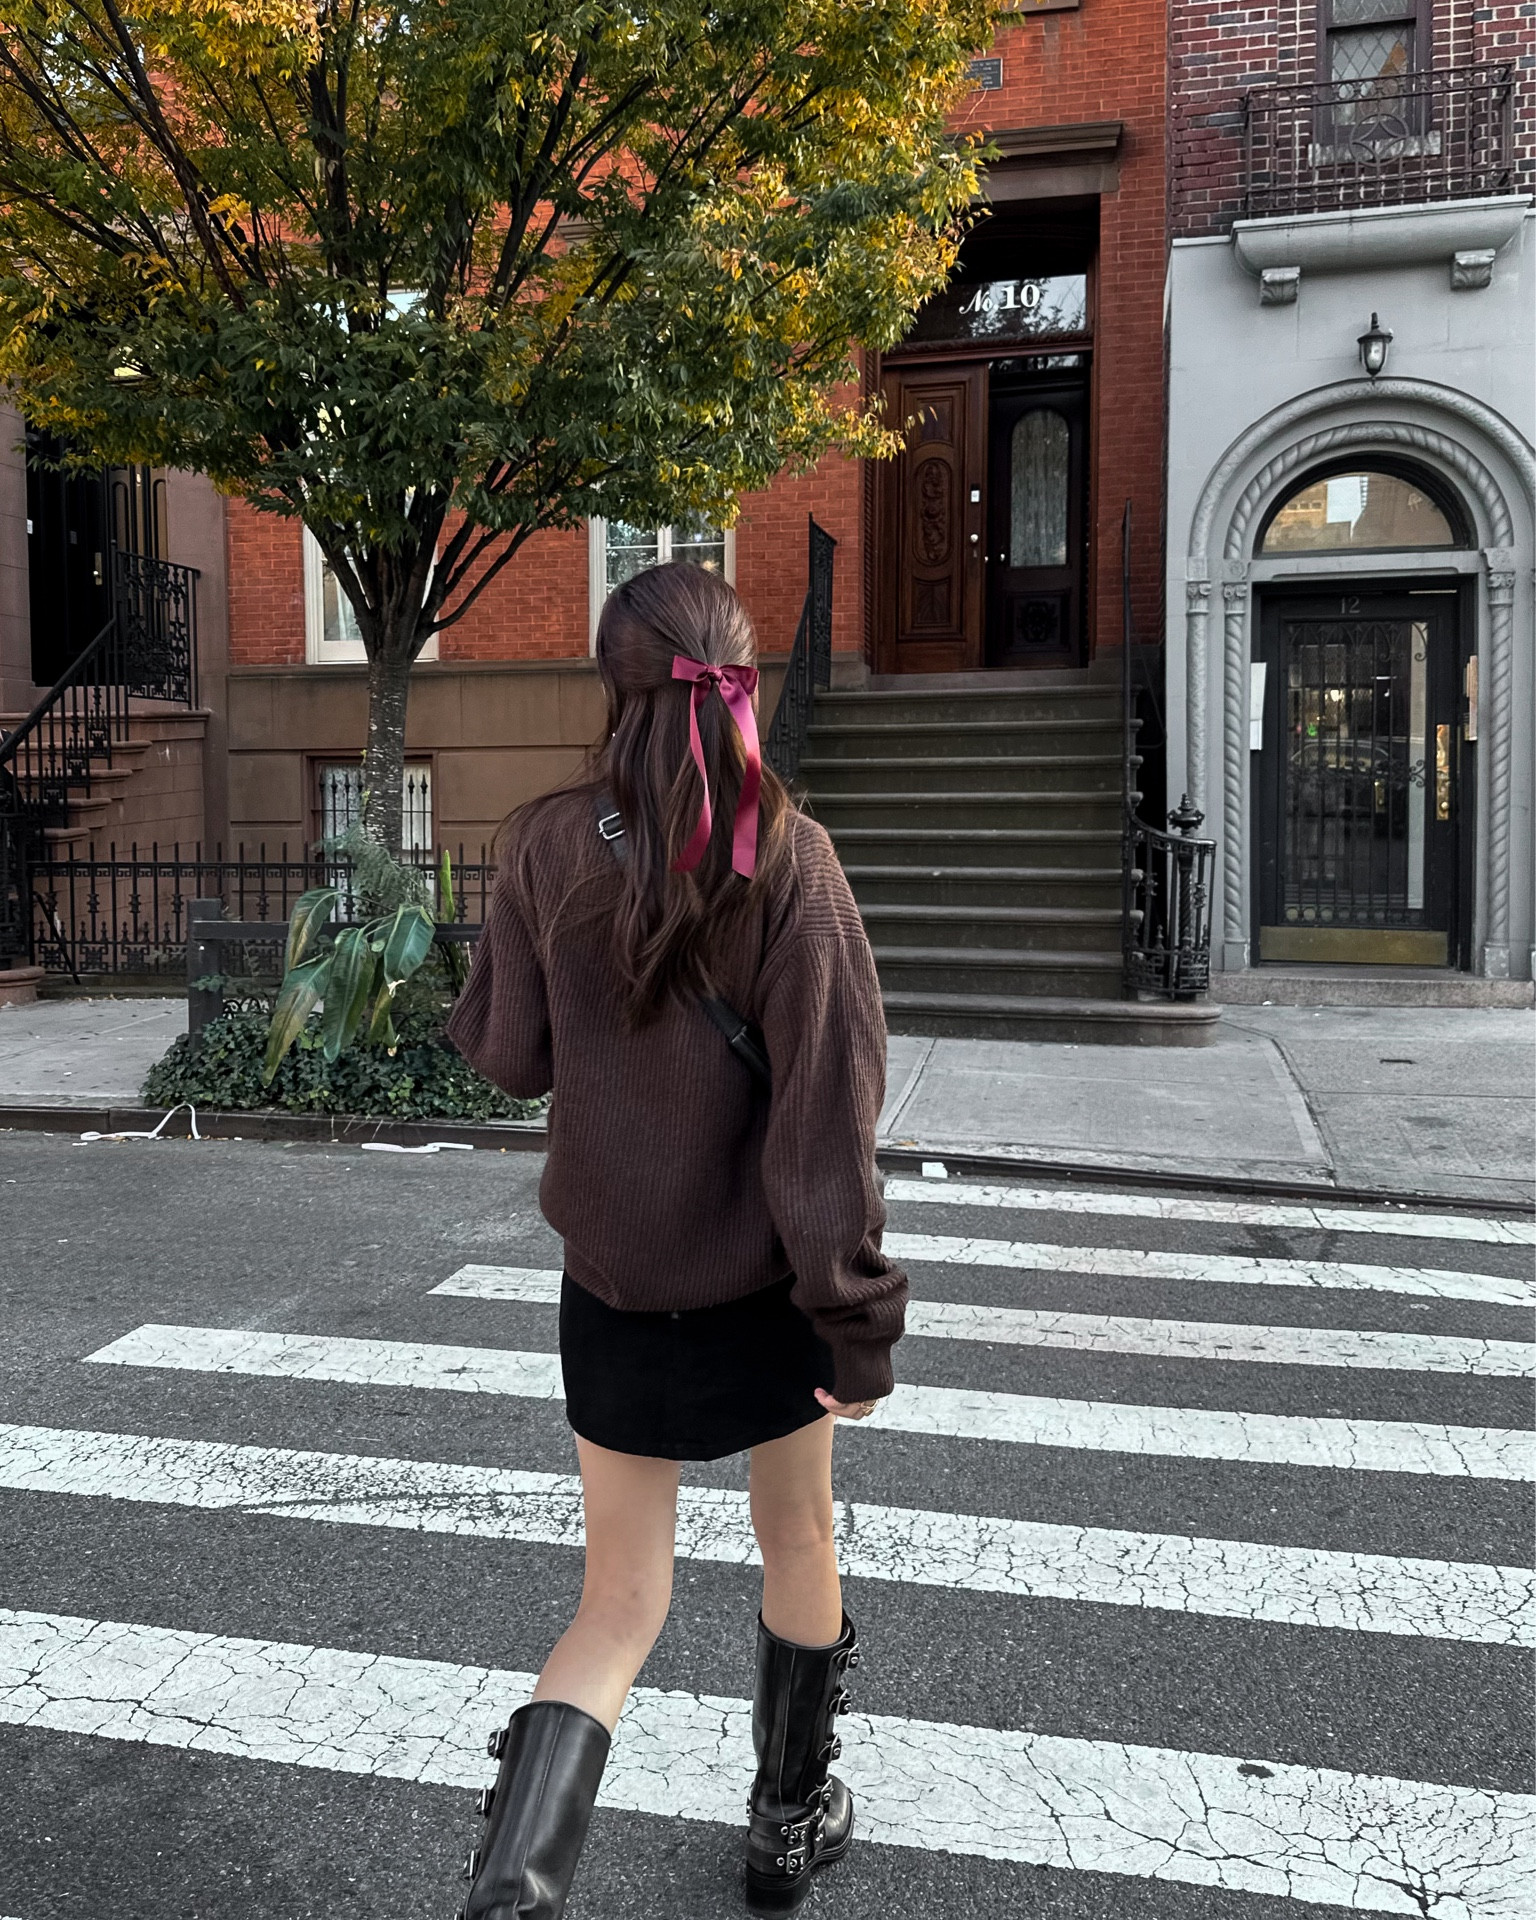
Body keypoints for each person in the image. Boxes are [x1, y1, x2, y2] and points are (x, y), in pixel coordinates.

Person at [444, 560, 906, 1919]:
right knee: (798, 1540)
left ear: (613, 683)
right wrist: (853, 1318)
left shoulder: (543, 845)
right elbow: (831, 1109)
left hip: (616, 1288)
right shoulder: (792, 859)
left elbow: (510, 1058)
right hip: (766, 1288)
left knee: (618, 1604)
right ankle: (785, 1827)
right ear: (742, 682)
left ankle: (513, 1889)